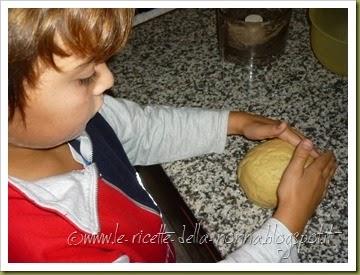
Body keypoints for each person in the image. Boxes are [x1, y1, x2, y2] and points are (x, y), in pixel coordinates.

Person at [8, 8, 336, 263]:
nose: (108, 78)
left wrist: (233, 123)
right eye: (84, 76)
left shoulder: (83, 118)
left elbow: (145, 131)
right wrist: (288, 224)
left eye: (103, 62)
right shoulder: (43, 249)